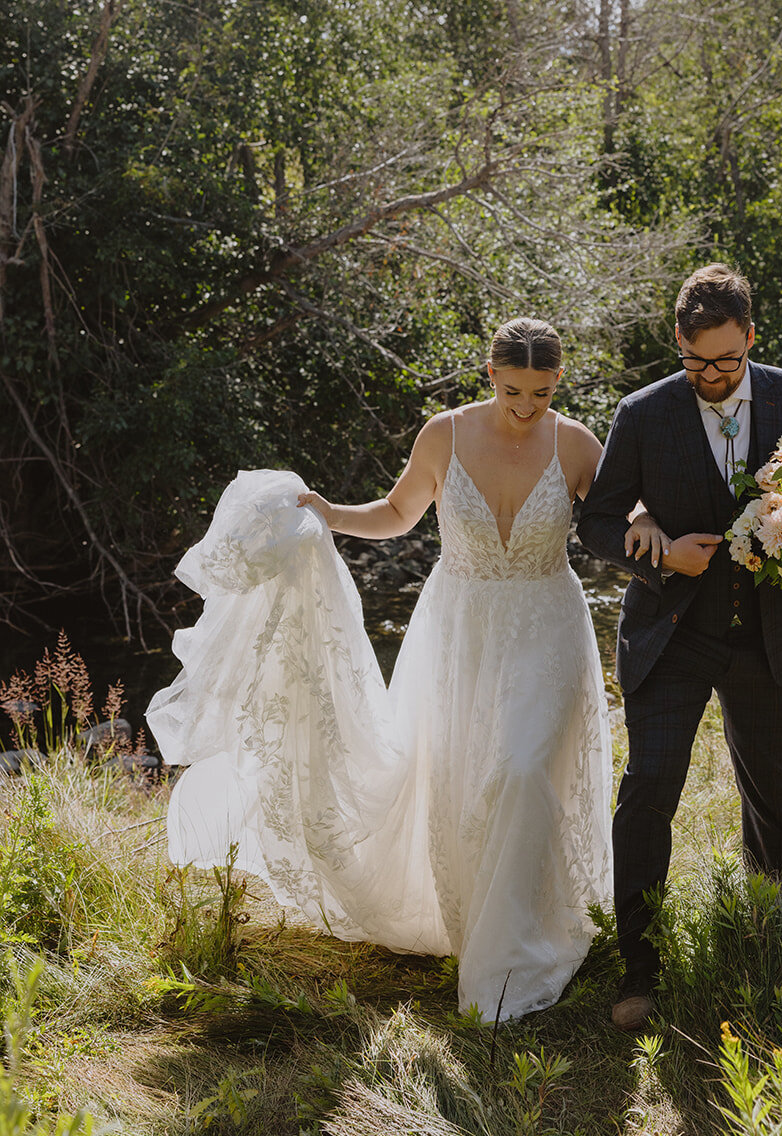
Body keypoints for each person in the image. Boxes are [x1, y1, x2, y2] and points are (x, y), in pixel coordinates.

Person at [147, 317, 665, 1024]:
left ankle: (510, 960)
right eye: (513, 391)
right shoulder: (444, 435)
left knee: (522, 769)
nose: (525, 407)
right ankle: (475, 918)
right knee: (464, 775)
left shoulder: (573, 443)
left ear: (558, 383)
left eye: (541, 393)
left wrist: (646, 518)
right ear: (490, 376)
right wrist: (329, 513)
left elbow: (618, 505)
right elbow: (397, 513)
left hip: (546, 625)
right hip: (459, 627)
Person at [577, 264, 782, 1032]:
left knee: (770, 792)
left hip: (769, 634)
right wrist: (657, 551)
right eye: (696, 362)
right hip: (671, 634)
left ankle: (767, 938)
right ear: (678, 342)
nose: (711, 376)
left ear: (750, 338)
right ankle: (640, 968)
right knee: (647, 790)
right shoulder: (642, 411)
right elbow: (596, 523)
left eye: (726, 360)